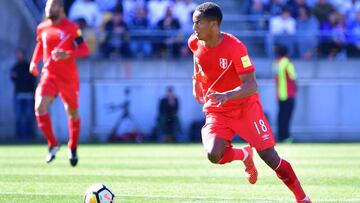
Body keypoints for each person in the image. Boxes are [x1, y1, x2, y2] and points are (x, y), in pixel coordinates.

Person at [188, 2, 311, 203]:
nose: (194, 28)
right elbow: (197, 58)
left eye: (197, 23)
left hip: (246, 108)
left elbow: (252, 85)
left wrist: (226, 95)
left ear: (213, 24)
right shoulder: (194, 42)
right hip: (218, 110)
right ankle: (244, 154)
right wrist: (196, 81)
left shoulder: (235, 47)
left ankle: (302, 198)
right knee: (213, 154)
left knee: (270, 157)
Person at [29, 0, 90, 167]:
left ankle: (73, 146)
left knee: (72, 113)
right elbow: (40, 45)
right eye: (47, 6)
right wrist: (34, 62)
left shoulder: (72, 28)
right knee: (39, 106)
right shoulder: (42, 27)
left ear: (60, 8)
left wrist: (67, 54)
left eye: (52, 6)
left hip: (68, 78)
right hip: (49, 75)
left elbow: (85, 49)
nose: (48, 9)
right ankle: (53, 143)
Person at [10, 48, 37, 141]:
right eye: (18, 54)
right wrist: (23, 78)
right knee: (18, 117)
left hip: (29, 95)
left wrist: (22, 77)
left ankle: (29, 137)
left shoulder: (28, 66)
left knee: (29, 116)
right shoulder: (15, 67)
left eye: (20, 54)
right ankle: (19, 137)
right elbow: (14, 79)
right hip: (18, 95)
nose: (19, 56)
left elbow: (31, 80)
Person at [273, 45, 297, 142]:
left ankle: (280, 136)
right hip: (289, 93)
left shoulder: (276, 63)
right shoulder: (287, 62)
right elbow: (293, 77)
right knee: (287, 117)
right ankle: (286, 137)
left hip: (280, 94)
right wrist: (295, 88)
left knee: (281, 116)